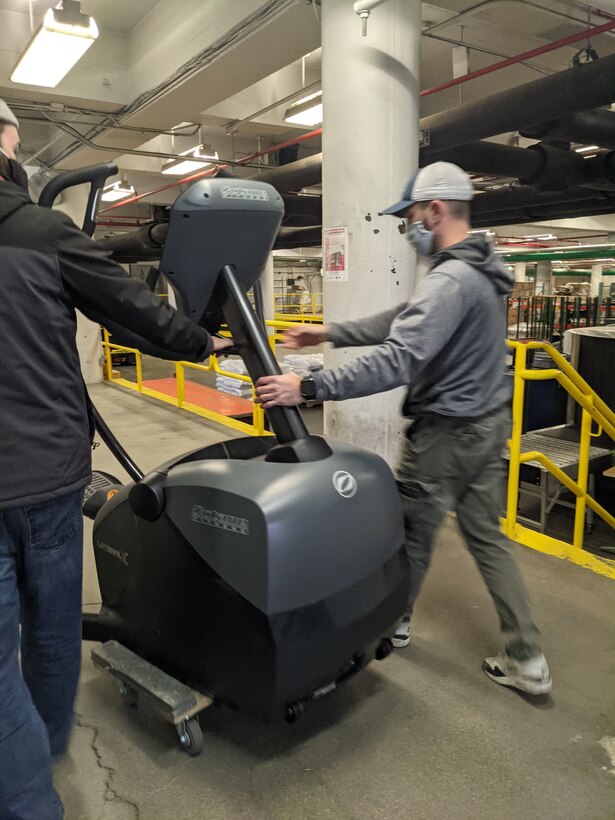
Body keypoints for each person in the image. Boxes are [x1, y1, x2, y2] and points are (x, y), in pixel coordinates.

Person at [0, 99, 231, 819]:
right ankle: (42, 768)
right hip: (47, 478)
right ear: (5, 144)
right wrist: (203, 342)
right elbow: (136, 310)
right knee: (51, 622)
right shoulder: (43, 231)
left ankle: (26, 763)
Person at [255, 161, 551, 698]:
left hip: (446, 435)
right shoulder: (482, 272)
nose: (408, 228)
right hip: (487, 426)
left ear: (435, 211)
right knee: (488, 538)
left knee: (410, 532)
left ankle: (392, 621)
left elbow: (399, 357)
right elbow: (403, 317)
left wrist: (309, 388)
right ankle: (527, 657)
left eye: (410, 217)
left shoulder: (451, 280)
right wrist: (330, 330)